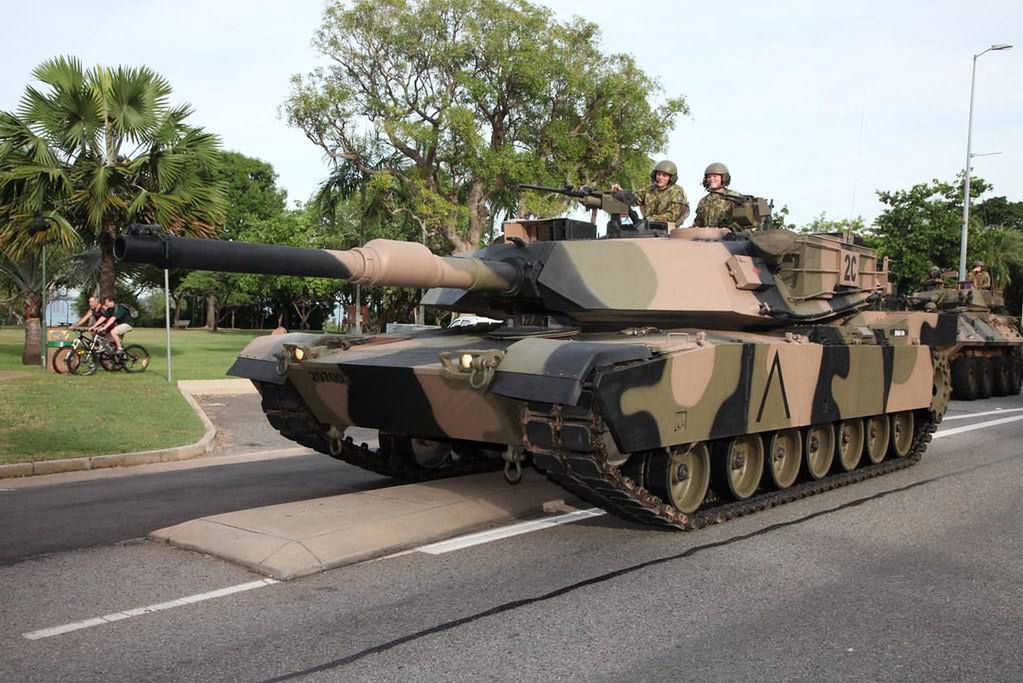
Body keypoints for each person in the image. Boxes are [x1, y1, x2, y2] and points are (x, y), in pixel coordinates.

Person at [610, 160, 690, 226]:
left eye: (664, 175)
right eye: (658, 174)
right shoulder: (649, 189)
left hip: (668, 232)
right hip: (647, 229)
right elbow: (633, 199)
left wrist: (650, 219)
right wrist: (621, 193)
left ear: (671, 178)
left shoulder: (676, 192)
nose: (660, 177)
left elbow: (672, 216)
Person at [692, 162, 747, 229]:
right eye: (709, 177)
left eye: (715, 176)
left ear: (724, 178)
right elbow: (698, 223)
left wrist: (730, 229)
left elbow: (742, 222)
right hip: (706, 237)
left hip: (728, 237)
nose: (711, 179)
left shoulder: (734, 198)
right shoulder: (703, 201)